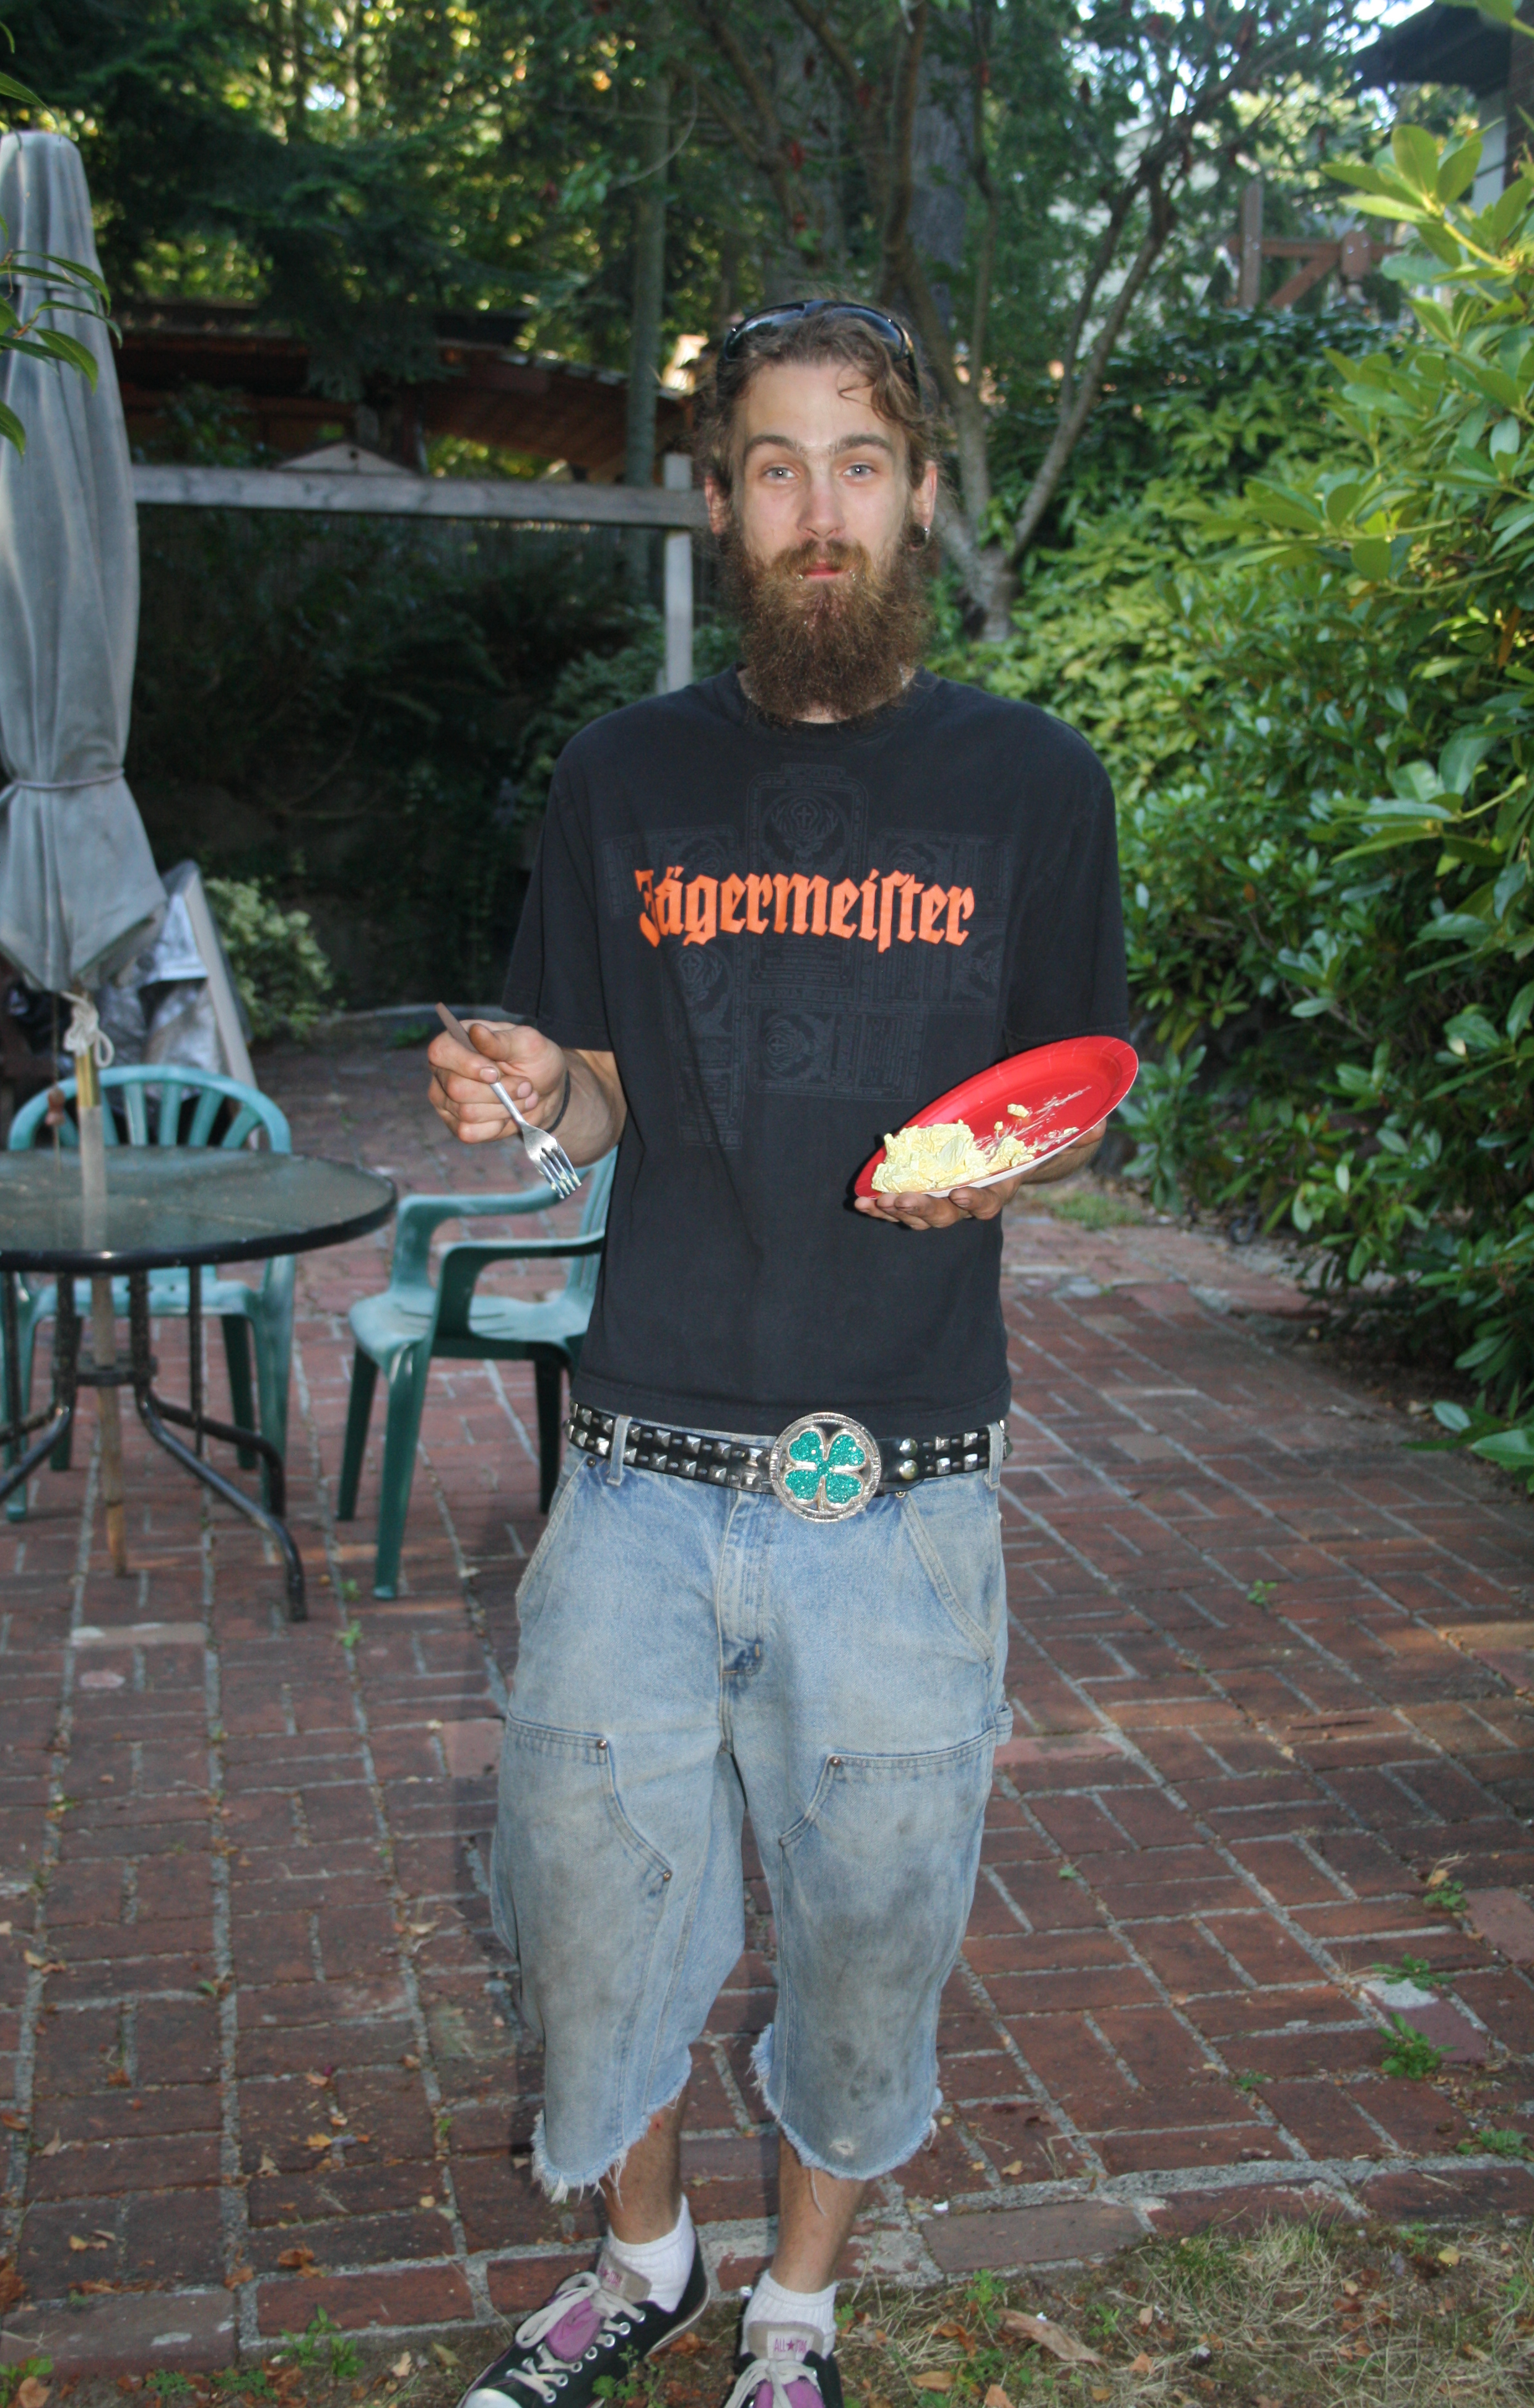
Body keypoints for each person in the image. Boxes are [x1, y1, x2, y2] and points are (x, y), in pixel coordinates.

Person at [428, 298, 1128, 2408]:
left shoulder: (1037, 785)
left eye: (859, 464)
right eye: (773, 467)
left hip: (898, 1491)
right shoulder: (623, 775)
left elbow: (1075, 1094)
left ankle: (798, 2313)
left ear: (920, 494)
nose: (818, 509)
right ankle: (645, 2262)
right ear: (722, 504)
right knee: (584, 1910)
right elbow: (594, 1099)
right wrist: (529, 1088)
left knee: (870, 1939)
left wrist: (1008, 1166)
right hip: (640, 1471)